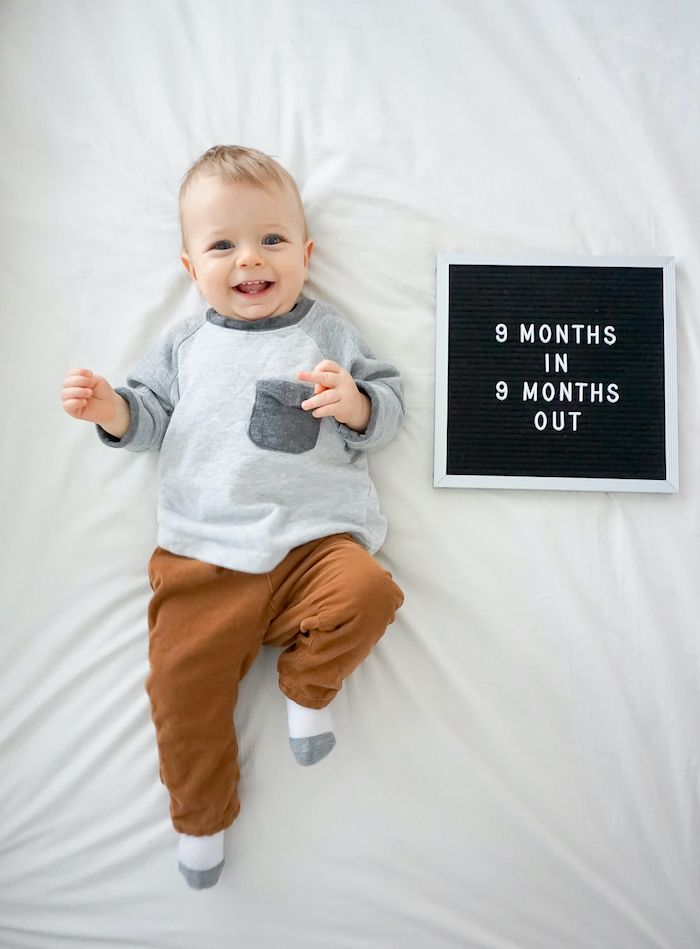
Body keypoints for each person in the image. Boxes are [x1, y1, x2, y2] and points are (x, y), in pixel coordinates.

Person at [60, 145, 405, 889]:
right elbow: (147, 419)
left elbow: (388, 404)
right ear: (192, 268)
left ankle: (306, 687)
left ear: (306, 253)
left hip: (313, 546)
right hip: (203, 558)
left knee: (372, 592)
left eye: (273, 240)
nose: (251, 259)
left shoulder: (327, 332)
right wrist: (112, 408)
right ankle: (202, 815)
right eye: (223, 245)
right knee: (179, 687)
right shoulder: (186, 343)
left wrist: (357, 402)